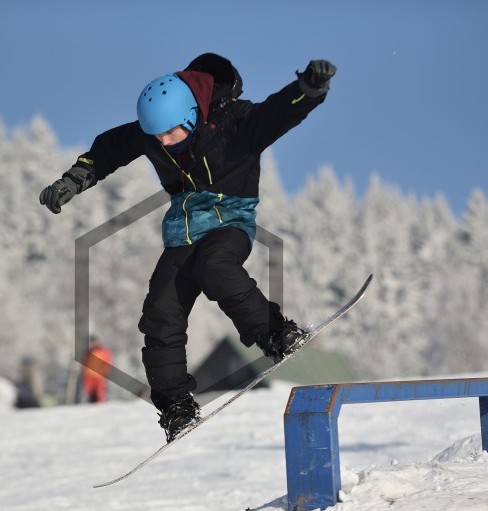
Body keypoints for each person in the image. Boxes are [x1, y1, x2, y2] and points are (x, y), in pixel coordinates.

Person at [40, 53, 336, 442]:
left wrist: (309, 89)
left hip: (230, 221)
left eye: (170, 133)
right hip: (183, 232)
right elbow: (109, 149)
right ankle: (175, 405)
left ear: (192, 115)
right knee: (160, 311)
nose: (163, 142)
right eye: (157, 136)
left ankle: (275, 333)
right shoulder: (155, 132)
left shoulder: (237, 123)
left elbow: (279, 112)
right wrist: (73, 180)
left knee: (216, 267)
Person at [82, 335, 113, 403]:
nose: (92, 343)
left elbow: (108, 363)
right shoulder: (88, 353)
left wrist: (105, 372)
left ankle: (100, 407)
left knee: (100, 396)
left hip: (99, 377)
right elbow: (85, 365)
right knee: (90, 395)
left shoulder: (103, 351)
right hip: (89, 377)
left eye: (93, 341)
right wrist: (84, 373)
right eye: (91, 342)